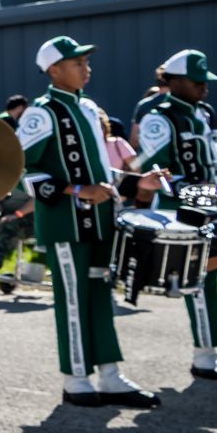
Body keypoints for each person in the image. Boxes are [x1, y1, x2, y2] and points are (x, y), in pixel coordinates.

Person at [17, 37, 158, 408]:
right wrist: (75, 191)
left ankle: (110, 375)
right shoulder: (41, 112)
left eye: (85, 61)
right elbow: (21, 172)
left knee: (99, 295)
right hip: (65, 223)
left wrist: (135, 182)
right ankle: (76, 377)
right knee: (73, 299)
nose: (86, 68)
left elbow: (99, 170)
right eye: (77, 62)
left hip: (99, 221)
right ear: (54, 70)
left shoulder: (88, 107)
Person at [136, 49, 217, 379]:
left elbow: (213, 164)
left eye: (205, 81)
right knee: (202, 281)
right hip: (189, 213)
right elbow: (162, 174)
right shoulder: (159, 117)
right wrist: (209, 194)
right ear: (175, 81)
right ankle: (204, 354)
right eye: (197, 82)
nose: (204, 87)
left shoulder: (205, 113)